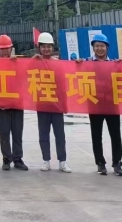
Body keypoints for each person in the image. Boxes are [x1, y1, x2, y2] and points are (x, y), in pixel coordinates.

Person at [78, 33, 122, 176]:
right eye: (97, 46)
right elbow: (75, 74)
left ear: (107, 47)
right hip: (94, 103)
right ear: (93, 48)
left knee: (115, 135)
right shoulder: (86, 62)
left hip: (111, 103)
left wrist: (120, 67)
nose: (99, 49)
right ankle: (100, 162)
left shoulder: (114, 63)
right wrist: (78, 64)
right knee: (96, 135)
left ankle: (117, 163)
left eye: (102, 46)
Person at [32, 32, 71, 173]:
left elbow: (63, 84)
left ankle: (62, 161)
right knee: (43, 134)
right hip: (42, 104)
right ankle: (46, 160)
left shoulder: (58, 63)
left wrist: (64, 104)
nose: (46, 49)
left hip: (56, 104)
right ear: (39, 48)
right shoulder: (35, 62)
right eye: (43, 46)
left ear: (52, 48)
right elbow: (24, 72)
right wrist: (32, 60)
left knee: (60, 134)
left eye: (49, 46)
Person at [0, 34, 27, 172]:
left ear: (11, 48)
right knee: (4, 133)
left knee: (17, 132)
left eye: (6, 48)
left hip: (17, 103)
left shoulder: (18, 62)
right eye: (2, 49)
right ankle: (6, 159)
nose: (4, 51)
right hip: (2, 104)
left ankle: (18, 159)